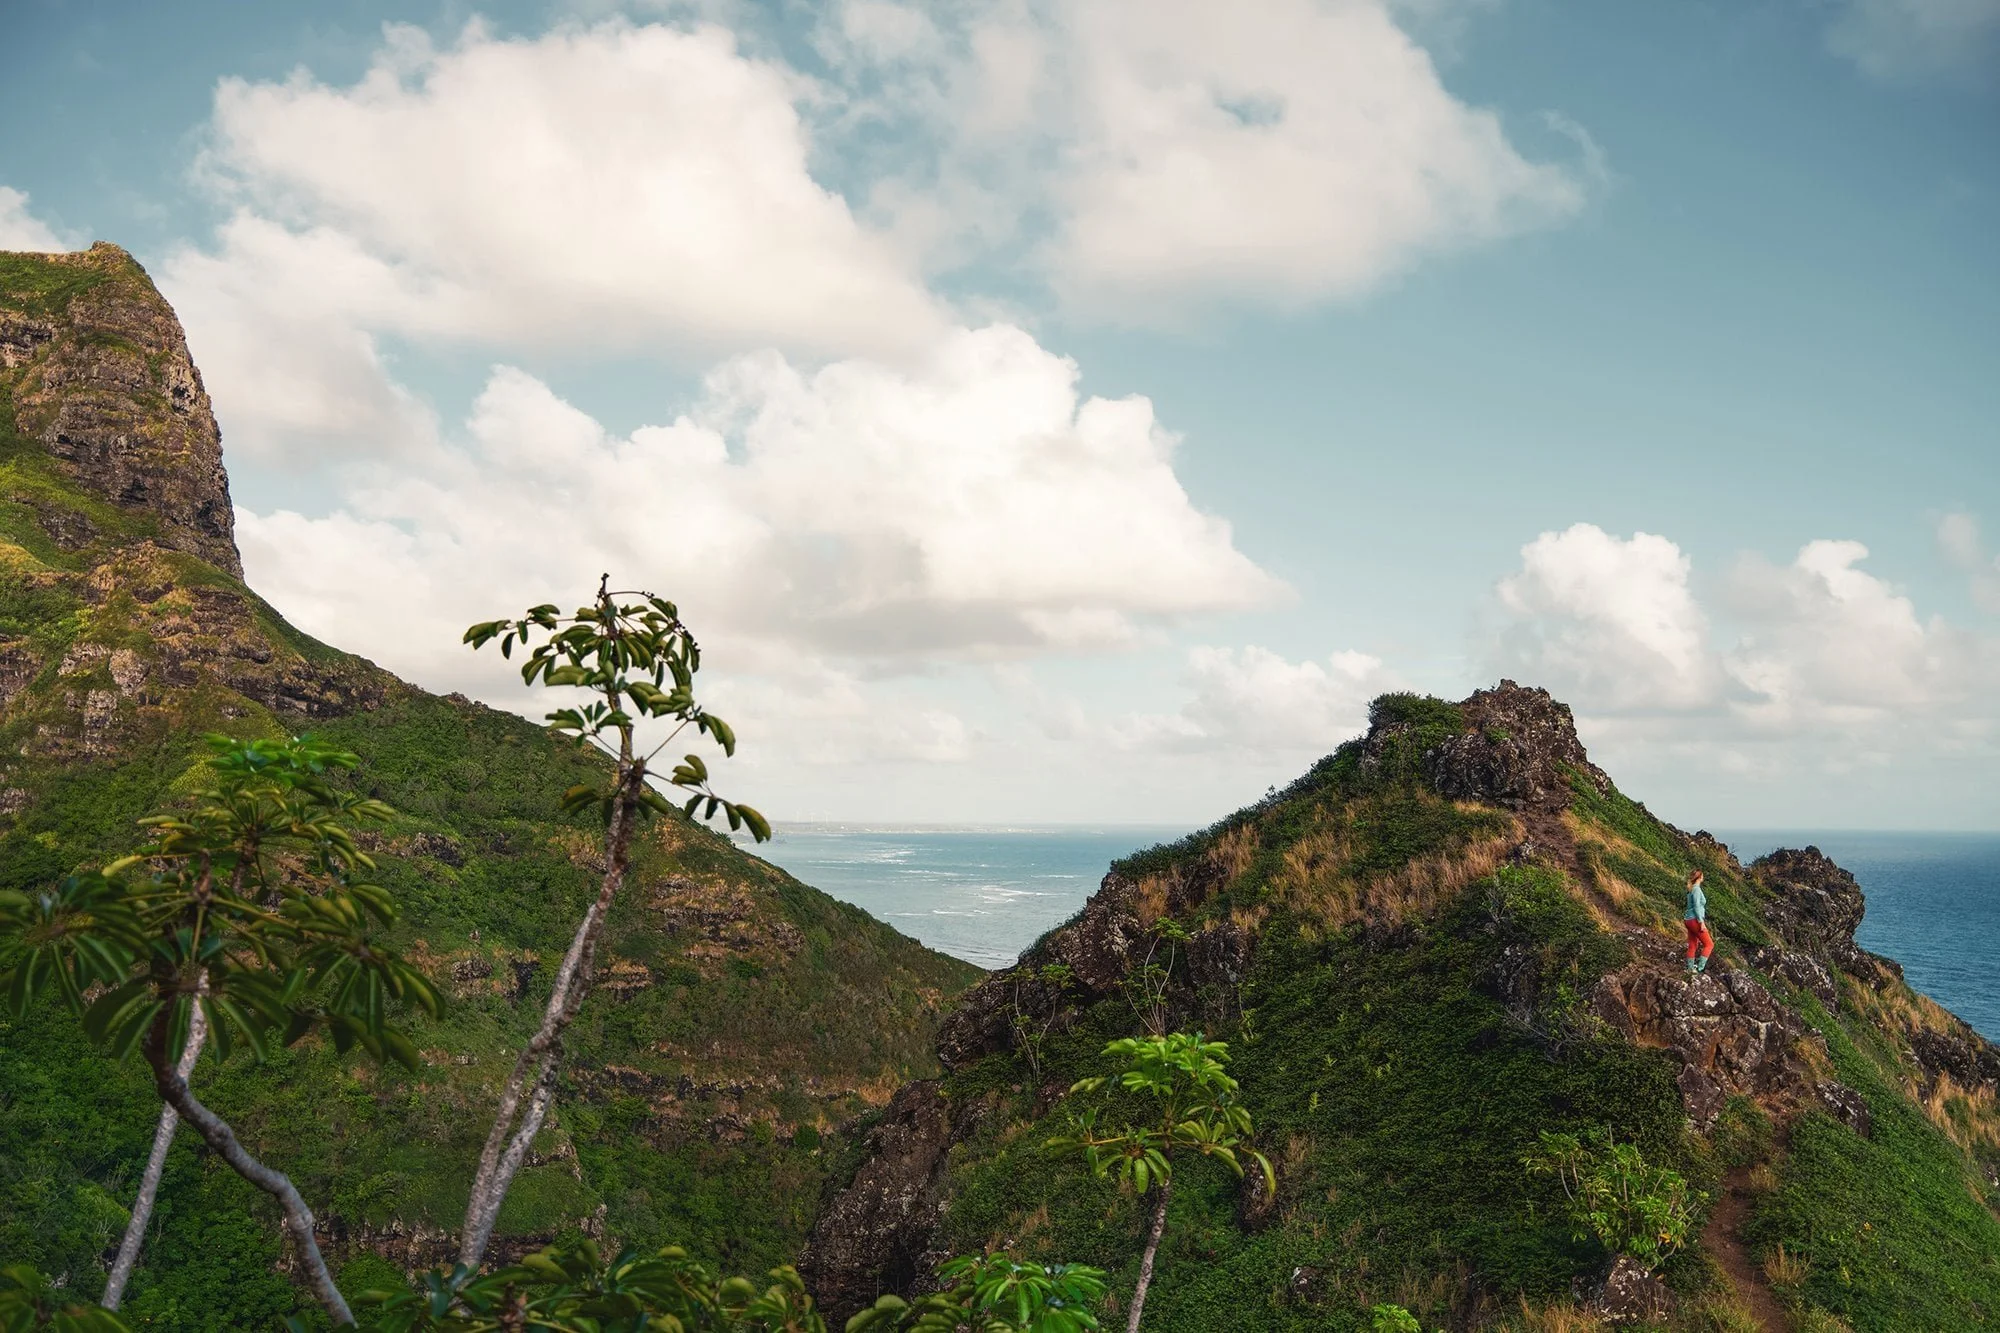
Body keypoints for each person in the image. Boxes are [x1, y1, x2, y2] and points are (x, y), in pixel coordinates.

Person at [1683, 869, 1713, 975]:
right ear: (1700, 877)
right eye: (1702, 875)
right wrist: (1701, 922)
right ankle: (1700, 969)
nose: (1703, 877)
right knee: (1709, 944)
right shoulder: (1696, 889)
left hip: (1688, 920)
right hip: (1695, 920)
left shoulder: (1691, 889)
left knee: (1692, 945)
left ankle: (1690, 969)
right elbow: (1696, 906)